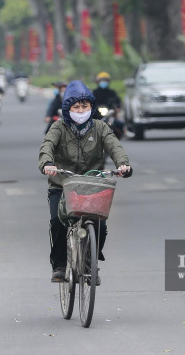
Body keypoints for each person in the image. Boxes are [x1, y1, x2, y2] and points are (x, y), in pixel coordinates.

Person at [38, 80, 132, 284]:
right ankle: (60, 266)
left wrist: (123, 164)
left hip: (91, 184)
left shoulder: (100, 127)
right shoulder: (58, 127)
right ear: (67, 108)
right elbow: (47, 145)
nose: (81, 110)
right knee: (57, 222)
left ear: (91, 107)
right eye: (76, 107)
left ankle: (90, 263)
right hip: (62, 184)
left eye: (85, 106)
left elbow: (114, 146)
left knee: (101, 226)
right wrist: (47, 162)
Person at [92, 71, 124, 138]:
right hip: (97, 113)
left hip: (110, 112)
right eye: (102, 80)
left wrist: (117, 107)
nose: (104, 82)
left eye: (105, 80)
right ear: (98, 81)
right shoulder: (94, 93)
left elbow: (118, 101)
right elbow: (91, 102)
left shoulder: (112, 93)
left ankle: (120, 134)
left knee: (120, 124)